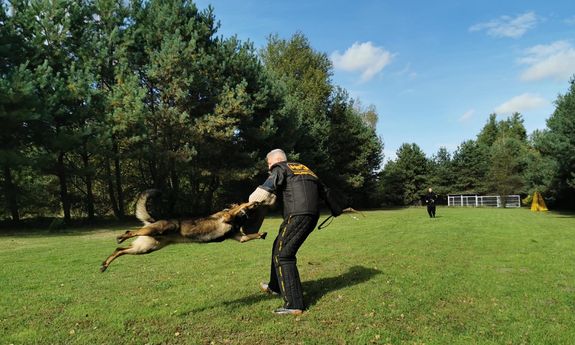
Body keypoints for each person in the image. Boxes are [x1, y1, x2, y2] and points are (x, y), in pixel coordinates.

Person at [248, 149, 324, 315]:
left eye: (269, 164)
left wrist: (248, 205)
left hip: (297, 215)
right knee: (279, 246)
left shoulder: (280, 168)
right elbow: (324, 191)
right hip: (312, 215)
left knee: (284, 255)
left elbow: (263, 191)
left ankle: (294, 304)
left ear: (275, 160)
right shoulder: (304, 168)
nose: (269, 168)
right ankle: (274, 286)